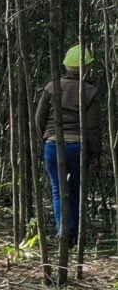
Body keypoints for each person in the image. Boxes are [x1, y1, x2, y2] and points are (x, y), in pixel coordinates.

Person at [35, 45, 101, 245]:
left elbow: (39, 119)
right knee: (75, 190)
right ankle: (73, 233)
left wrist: (46, 139)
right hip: (79, 147)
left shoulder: (51, 86)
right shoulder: (89, 90)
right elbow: (92, 127)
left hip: (53, 145)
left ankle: (64, 232)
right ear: (87, 67)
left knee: (58, 190)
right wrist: (97, 153)